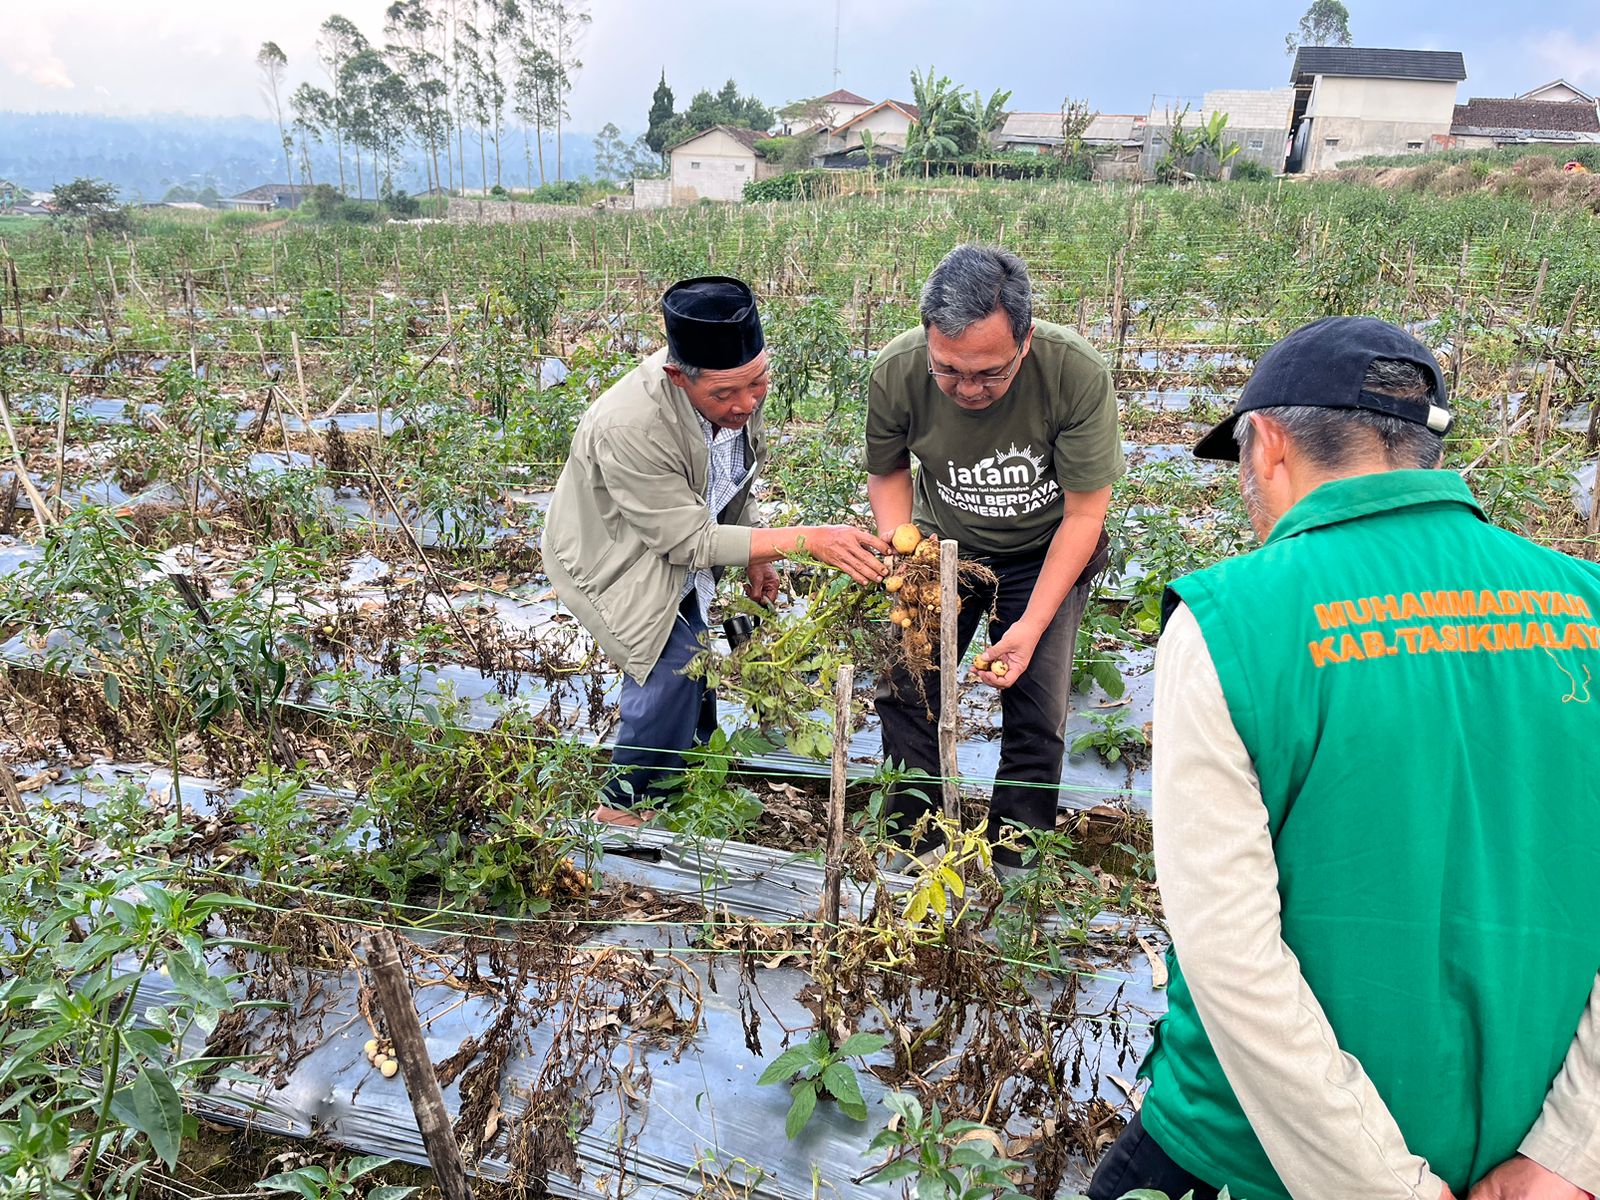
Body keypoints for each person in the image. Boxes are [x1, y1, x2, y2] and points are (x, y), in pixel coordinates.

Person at [1089, 316, 1600, 1200]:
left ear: (1270, 444)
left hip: (1249, 1158)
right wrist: (1570, 1149)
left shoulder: (1230, 621)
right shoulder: (1583, 601)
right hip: (1521, 1160)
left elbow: (1232, 959)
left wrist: (1388, 1186)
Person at [543, 277, 888, 819]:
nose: (745, 403)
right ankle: (625, 809)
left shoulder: (737, 393)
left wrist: (758, 553)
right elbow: (687, 539)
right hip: (613, 550)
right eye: (725, 394)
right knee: (672, 662)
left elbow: (733, 480)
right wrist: (807, 540)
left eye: (758, 383)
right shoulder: (630, 424)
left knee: (695, 650)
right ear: (678, 377)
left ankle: (688, 781)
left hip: (675, 536)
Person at [865, 244, 1123, 865]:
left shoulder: (1074, 374)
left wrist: (1030, 626)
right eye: (949, 370)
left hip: (1044, 550)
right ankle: (913, 845)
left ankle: (1014, 864)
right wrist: (902, 551)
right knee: (906, 690)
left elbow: (1084, 515)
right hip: (942, 548)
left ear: (1025, 341)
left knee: (1036, 709)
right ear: (929, 338)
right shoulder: (898, 370)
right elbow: (888, 470)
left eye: (989, 373)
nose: (968, 389)